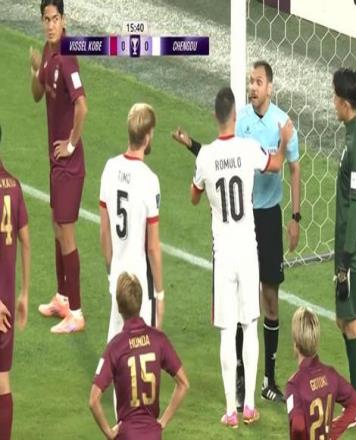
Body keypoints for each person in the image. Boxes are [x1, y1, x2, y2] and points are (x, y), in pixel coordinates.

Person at [173, 60, 301, 404]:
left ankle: (267, 380)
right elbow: (226, 157)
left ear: (270, 86)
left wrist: (295, 217)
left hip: (268, 218)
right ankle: (242, 382)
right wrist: (192, 144)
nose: (252, 87)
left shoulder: (281, 122)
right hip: (245, 224)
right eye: (250, 81)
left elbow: (292, 168)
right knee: (246, 305)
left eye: (258, 82)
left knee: (268, 299)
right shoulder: (242, 121)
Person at [31, 0, 88, 333]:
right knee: (56, 225)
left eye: (55, 19)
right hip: (56, 164)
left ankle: (76, 314)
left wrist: (70, 144)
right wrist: (35, 71)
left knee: (67, 234)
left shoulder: (67, 57)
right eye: (46, 19)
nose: (51, 25)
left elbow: (83, 106)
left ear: (64, 20)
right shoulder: (48, 51)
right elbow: (37, 94)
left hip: (69, 165)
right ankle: (62, 297)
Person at [89, 272, 188, 440]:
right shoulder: (158, 340)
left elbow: (93, 400)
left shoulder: (115, 347)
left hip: (127, 435)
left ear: (119, 307)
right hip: (153, 435)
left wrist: (109, 433)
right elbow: (184, 384)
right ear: (141, 303)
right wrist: (162, 422)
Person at [99, 103, 165, 341]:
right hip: (140, 283)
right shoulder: (149, 180)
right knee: (143, 350)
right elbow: (153, 247)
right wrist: (160, 294)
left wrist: (111, 274)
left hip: (117, 277)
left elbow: (104, 233)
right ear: (147, 136)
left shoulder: (110, 168)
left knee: (115, 347)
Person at [332, 68, 356, 421]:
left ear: (345, 103)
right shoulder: (354, 132)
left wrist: (345, 260)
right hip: (347, 249)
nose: (333, 103)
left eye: (335, 97)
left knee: (353, 322)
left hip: (353, 253)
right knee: (343, 320)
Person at [285, 307, 356, 440]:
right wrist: (333, 433)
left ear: (295, 342)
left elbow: (298, 427)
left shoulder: (294, 384)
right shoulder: (331, 375)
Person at [0, 124, 31, 440]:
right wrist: (23, 293)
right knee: (2, 380)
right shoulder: (14, 185)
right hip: (8, 301)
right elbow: (26, 240)